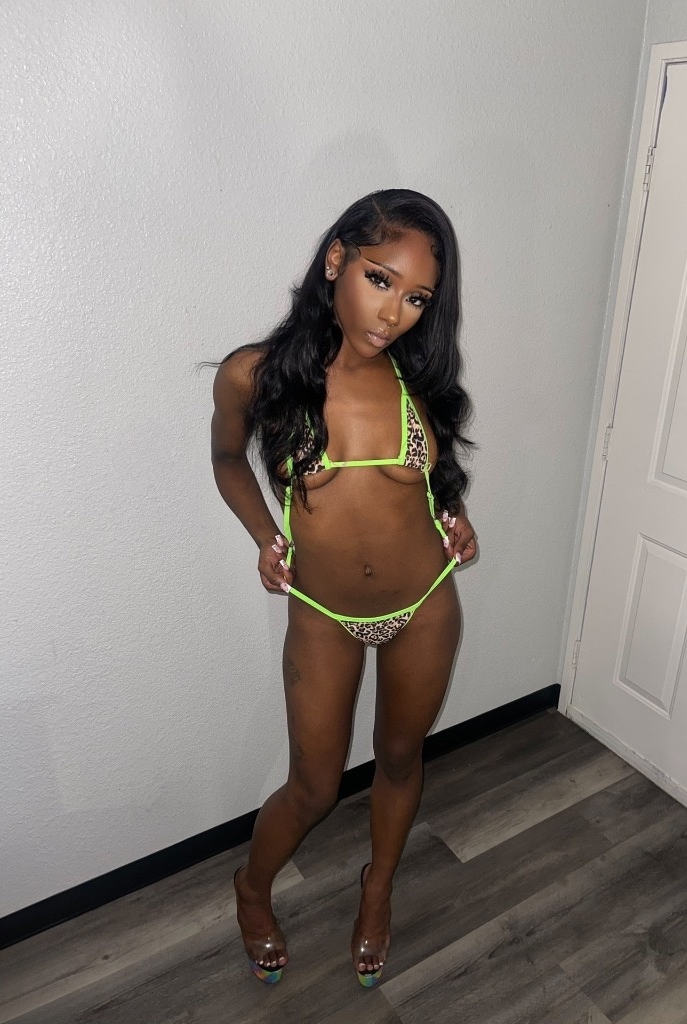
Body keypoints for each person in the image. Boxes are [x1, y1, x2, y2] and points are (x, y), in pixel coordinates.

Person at [210, 189, 477, 988]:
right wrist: (265, 535)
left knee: (399, 757)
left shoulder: (416, 377)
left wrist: (456, 516)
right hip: (323, 613)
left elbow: (434, 482)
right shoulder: (256, 374)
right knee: (314, 785)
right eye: (380, 278)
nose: (394, 312)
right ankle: (251, 888)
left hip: (424, 604)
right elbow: (226, 460)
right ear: (337, 259)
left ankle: (378, 888)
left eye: (417, 297)